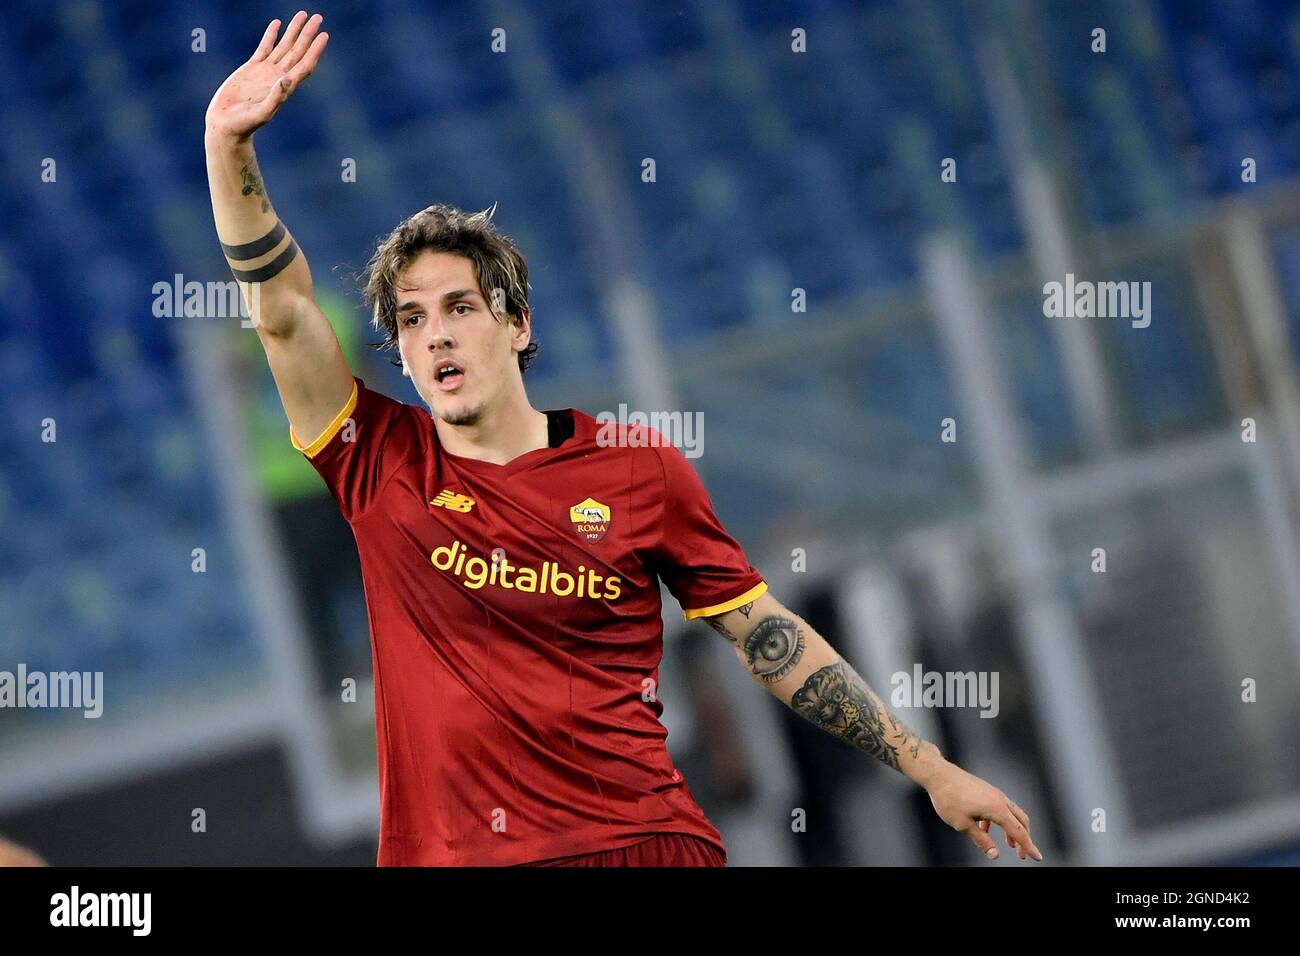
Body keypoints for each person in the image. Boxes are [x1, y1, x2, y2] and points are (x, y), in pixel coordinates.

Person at [203, 11, 1043, 867]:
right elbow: (282, 312)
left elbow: (767, 637)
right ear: (403, 355)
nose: (438, 336)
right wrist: (227, 148)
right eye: (412, 321)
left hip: (638, 846)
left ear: (517, 324)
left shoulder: (640, 472)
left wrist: (931, 767)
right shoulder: (376, 462)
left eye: (460, 308)